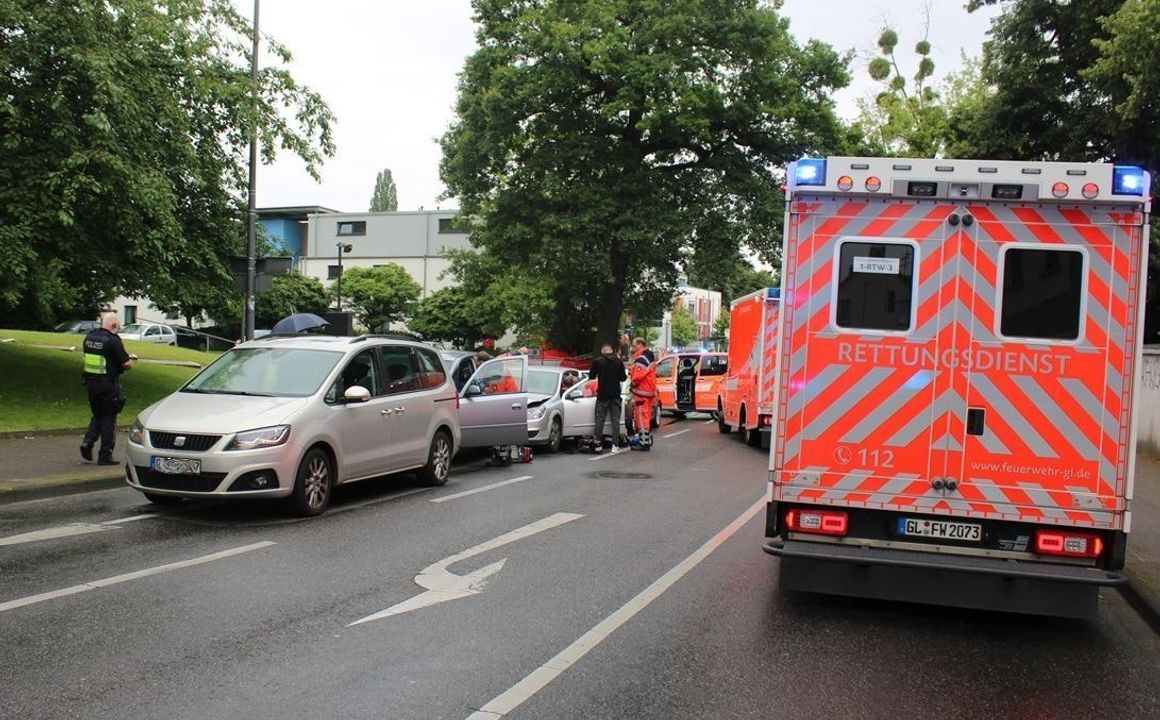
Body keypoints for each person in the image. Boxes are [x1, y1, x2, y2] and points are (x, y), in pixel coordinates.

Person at [80, 312, 136, 465]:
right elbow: (126, 364)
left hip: (91, 383)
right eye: (118, 326)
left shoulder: (89, 337)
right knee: (109, 419)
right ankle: (105, 455)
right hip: (108, 385)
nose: (118, 329)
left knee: (98, 414)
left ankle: (87, 442)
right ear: (113, 325)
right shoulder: (113, 340)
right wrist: (130, 361)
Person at [588, 342, 627, 453]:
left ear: (602, 351)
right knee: (615, 421)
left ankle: (598, 444)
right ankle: (615, 445)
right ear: (611, 350)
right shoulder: (618, 362)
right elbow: (623, 378)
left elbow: (591, 376)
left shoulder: (598, 362)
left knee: (600, 420)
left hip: (602, 395)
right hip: (615, 395)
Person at [628, 337, 658, 451]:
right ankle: (645, 439)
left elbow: (637, 376)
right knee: (646, 416)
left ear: (640, 345)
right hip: (649, 392)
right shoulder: (650, 357)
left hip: (641, 393)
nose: (633, 348)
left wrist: (632, 382)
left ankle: (643, 442)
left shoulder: (641, 359)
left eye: (635, 346)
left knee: (640, 417)